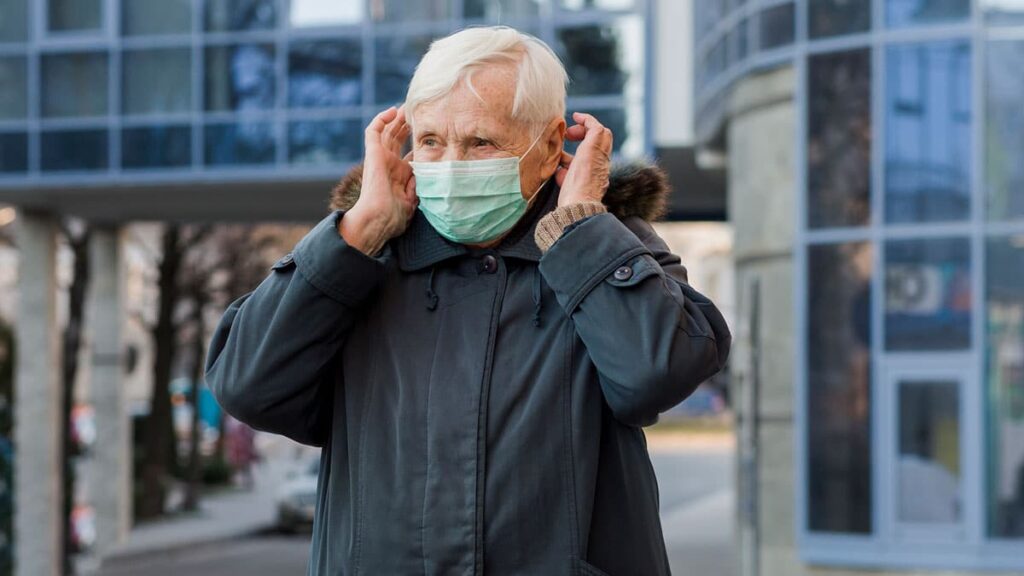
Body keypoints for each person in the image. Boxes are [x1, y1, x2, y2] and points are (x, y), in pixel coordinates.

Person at [206, 26, 730, 576]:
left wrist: (580, 232)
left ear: (551, 145)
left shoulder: (609, 244)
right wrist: (356, 233)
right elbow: (248, 387)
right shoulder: (364, 258)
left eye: (481, 142)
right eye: (431, 140)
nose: (452, 164)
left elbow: (658, 373)